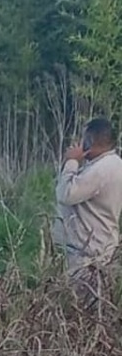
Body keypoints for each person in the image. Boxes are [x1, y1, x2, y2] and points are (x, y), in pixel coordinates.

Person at [52, 117, 122, 279]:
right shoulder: (113, 164)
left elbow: (65, 194)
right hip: (96, 249)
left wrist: (71, 161)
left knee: (80, 300)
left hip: (87, 255)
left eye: (83, 138)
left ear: (90, 141)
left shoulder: (101, 169)